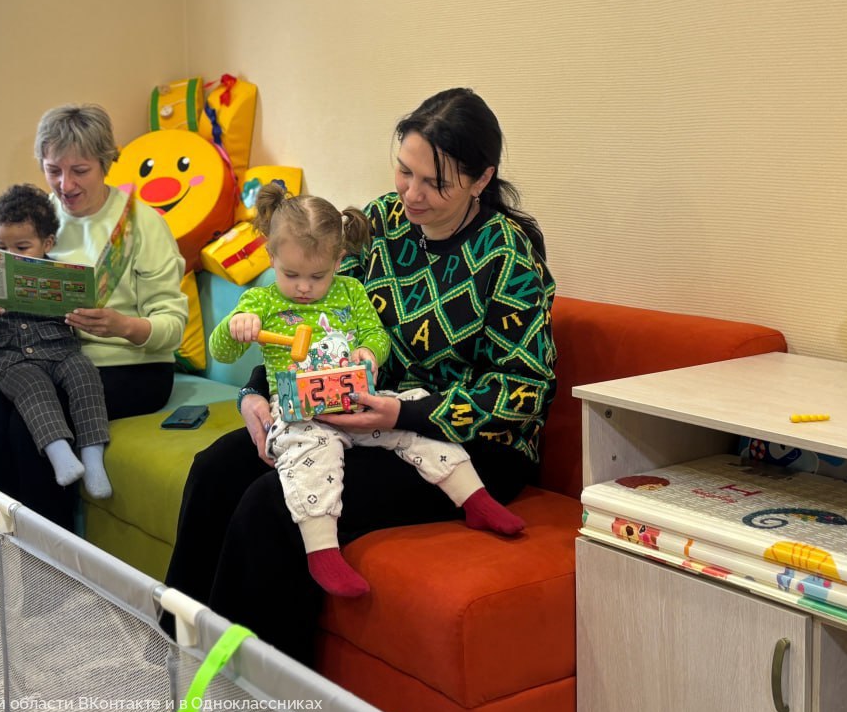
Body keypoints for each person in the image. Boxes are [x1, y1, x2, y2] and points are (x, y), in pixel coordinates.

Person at [164, 87, 556, 665]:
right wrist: (256, 393)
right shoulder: (382, 224)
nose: (411, 194)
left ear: (481, 180)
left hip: (468, 445)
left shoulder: (509, 256)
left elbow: (526, 390)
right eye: (404, 171)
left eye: (435, 183)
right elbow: (309, 312)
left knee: (274, 506)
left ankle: (256, 694)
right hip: (358, 412)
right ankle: (174, 652)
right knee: (215, 470)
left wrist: (404, 412)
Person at [210, 187, 525, 599]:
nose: (303, 287)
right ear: (271, 258)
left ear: (339, 261)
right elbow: (222, 350)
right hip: (299, 416)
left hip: (355, 402)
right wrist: (236, 327)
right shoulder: (260, 301)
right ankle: (322, 552)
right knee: (312, 459)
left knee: (417, 415)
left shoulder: (350, 292)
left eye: (317, 276)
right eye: (291, 275)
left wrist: (369, 353)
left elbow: (376, 335)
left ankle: (475, 499)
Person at [0, 105, 188, 527]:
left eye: (80, 170)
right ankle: (2, 538)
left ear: (105, 162)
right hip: (45, 359)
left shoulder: (141, 224)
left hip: (132, 367)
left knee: (29, 430)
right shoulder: (39, 219)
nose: (65, 185)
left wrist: (123, 325)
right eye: (53, 171)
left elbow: (172, 327)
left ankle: (50, 556)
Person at [0, 183, 111, 497]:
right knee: (35, 388)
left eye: (22, 248)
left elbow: (81, 316)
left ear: (46, 242)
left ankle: (93, 456)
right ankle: (60, 454)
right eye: (1, 247)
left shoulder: (57, 273)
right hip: (15, 361)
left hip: (63, 352)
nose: (10, 256)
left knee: (86, 376)